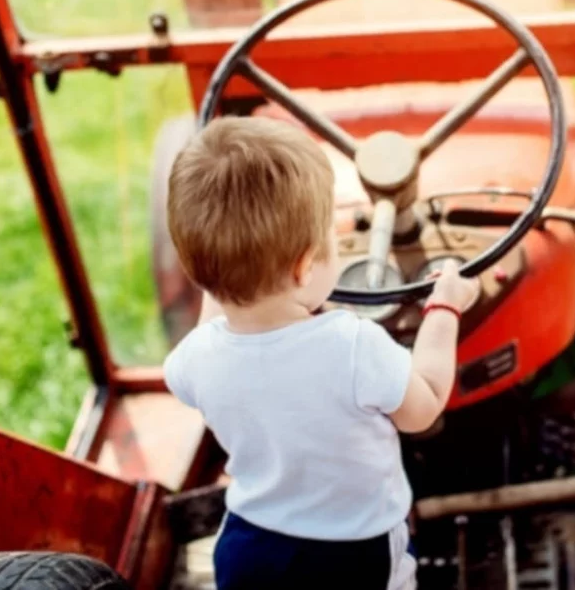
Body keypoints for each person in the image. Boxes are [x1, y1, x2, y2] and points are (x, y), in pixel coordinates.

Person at [163, 117, 480, 589]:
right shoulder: (353, 348)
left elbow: (221, 324)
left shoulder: (191, 360)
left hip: (250, 551)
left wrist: (223, 273)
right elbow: (425, 403)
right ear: (305, 265)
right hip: (357, 554)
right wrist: (445, 307)